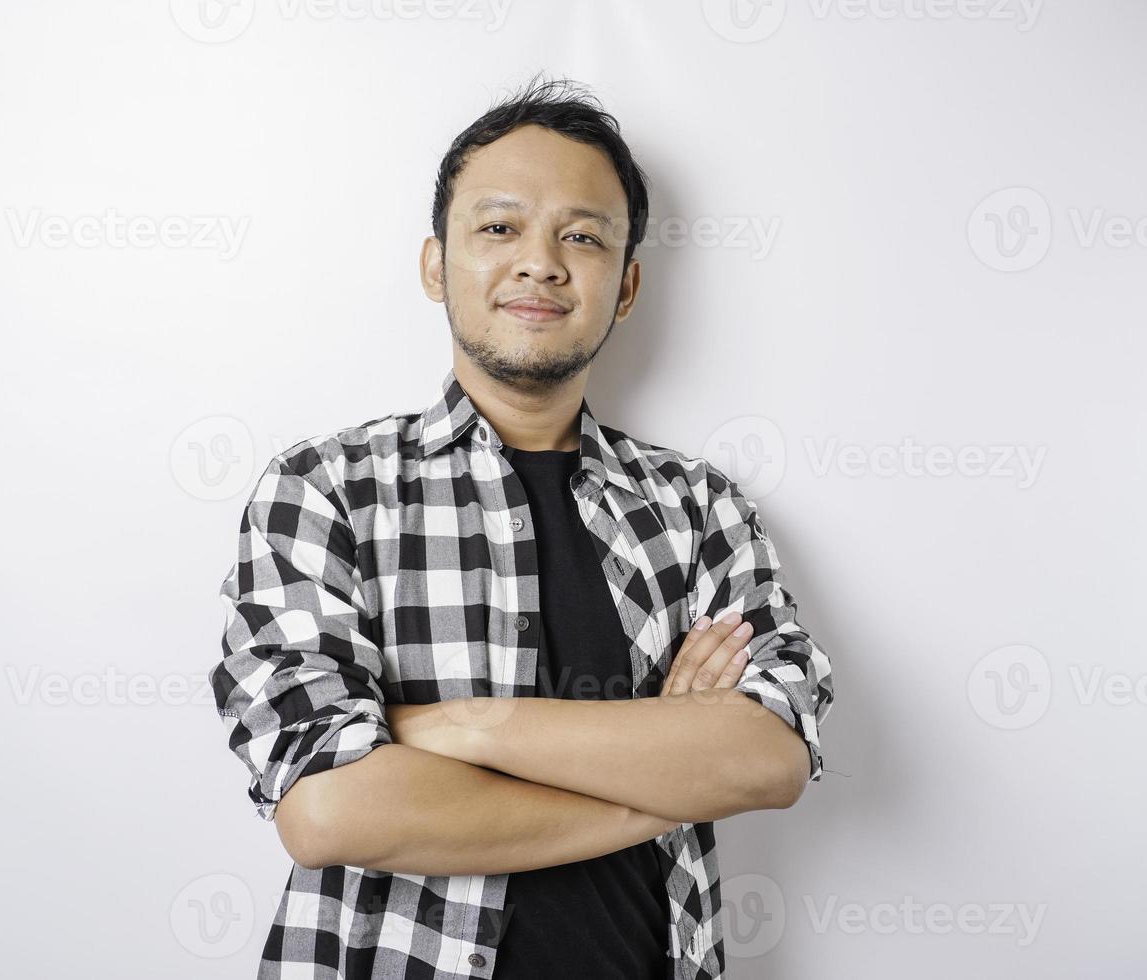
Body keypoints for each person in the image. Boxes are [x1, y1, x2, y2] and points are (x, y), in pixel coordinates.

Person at [209, 72, 835, 980]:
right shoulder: (325, 490)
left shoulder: (699, 509)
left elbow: (768, 759)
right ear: (436, 264)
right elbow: (331, 814)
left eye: (581, 236)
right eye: (499, 227)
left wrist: (462, 727)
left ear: (624, 288)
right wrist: (659, 773)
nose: (541, 261)